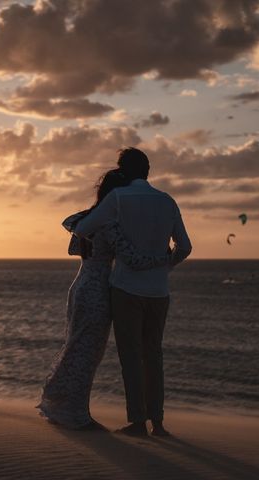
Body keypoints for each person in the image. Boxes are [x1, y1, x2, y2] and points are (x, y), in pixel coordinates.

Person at [37, 168, 171, 430]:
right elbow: (132, 258)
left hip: (80, 285)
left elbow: (72, 241)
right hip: (98, 290)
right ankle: (76, 413)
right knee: (88, 352)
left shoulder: (85, 220)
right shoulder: (110, 225)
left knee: (77, 346)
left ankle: (66, 404)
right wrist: (163, 260)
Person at [74, 148, 192, 437]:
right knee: (154, 355)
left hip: (126, 288)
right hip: (159, 290)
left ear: (124, 172)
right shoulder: (167, 201)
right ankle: (159, 423)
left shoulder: (118, 198)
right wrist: (163, 267)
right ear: (148, 170)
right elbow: (185, 247)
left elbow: (84, 228)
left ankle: (138, 421)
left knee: (131, 356)